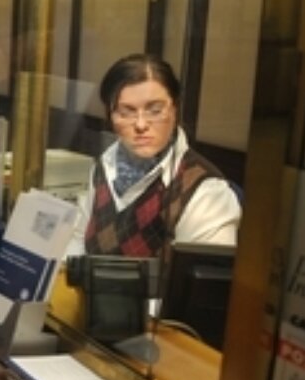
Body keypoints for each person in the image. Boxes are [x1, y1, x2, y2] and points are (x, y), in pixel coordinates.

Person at [66, 53, 240, 257]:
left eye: (155, 111)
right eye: (126, 112)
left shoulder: (207, 192)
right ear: (110, 116)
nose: (141, 125)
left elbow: (201, 284)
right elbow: (78, 241)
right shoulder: (105, 165)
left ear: (174, 110)